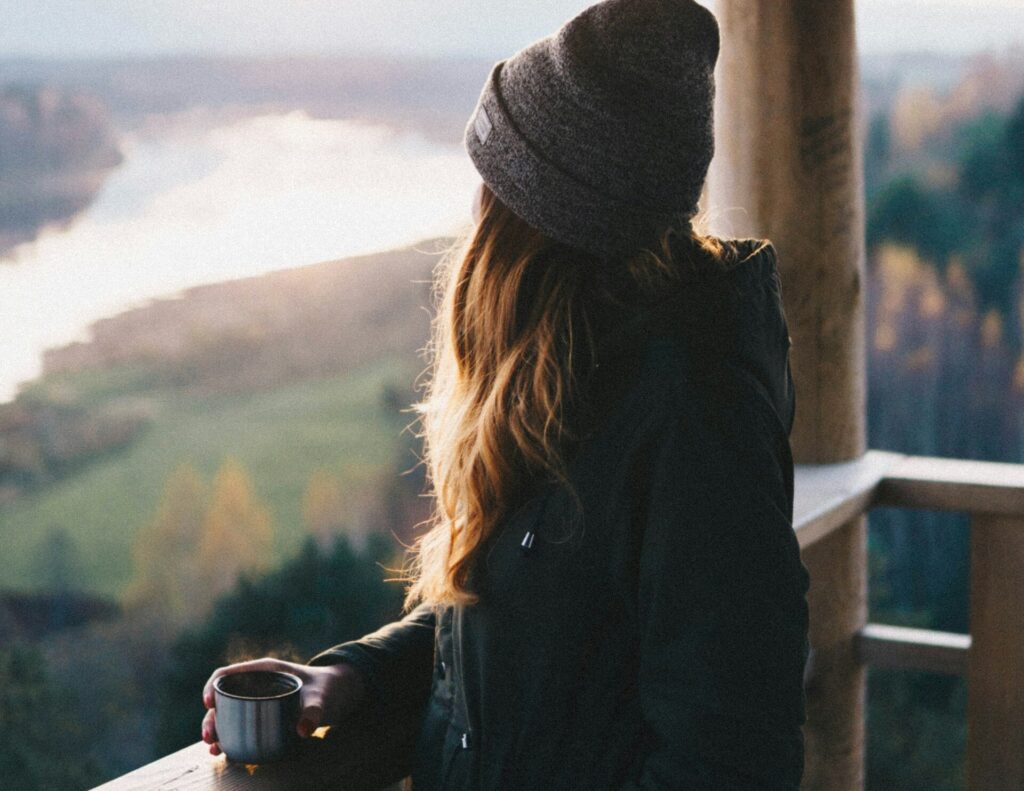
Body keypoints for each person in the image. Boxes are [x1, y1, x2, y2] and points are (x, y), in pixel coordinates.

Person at [201, 0, 811, 788]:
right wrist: (359, 674)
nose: (473, 212)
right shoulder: (577, 376)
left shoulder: (696, 418)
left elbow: (730, 759)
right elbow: (527, 616)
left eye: (490, 182)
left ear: (536, 219)